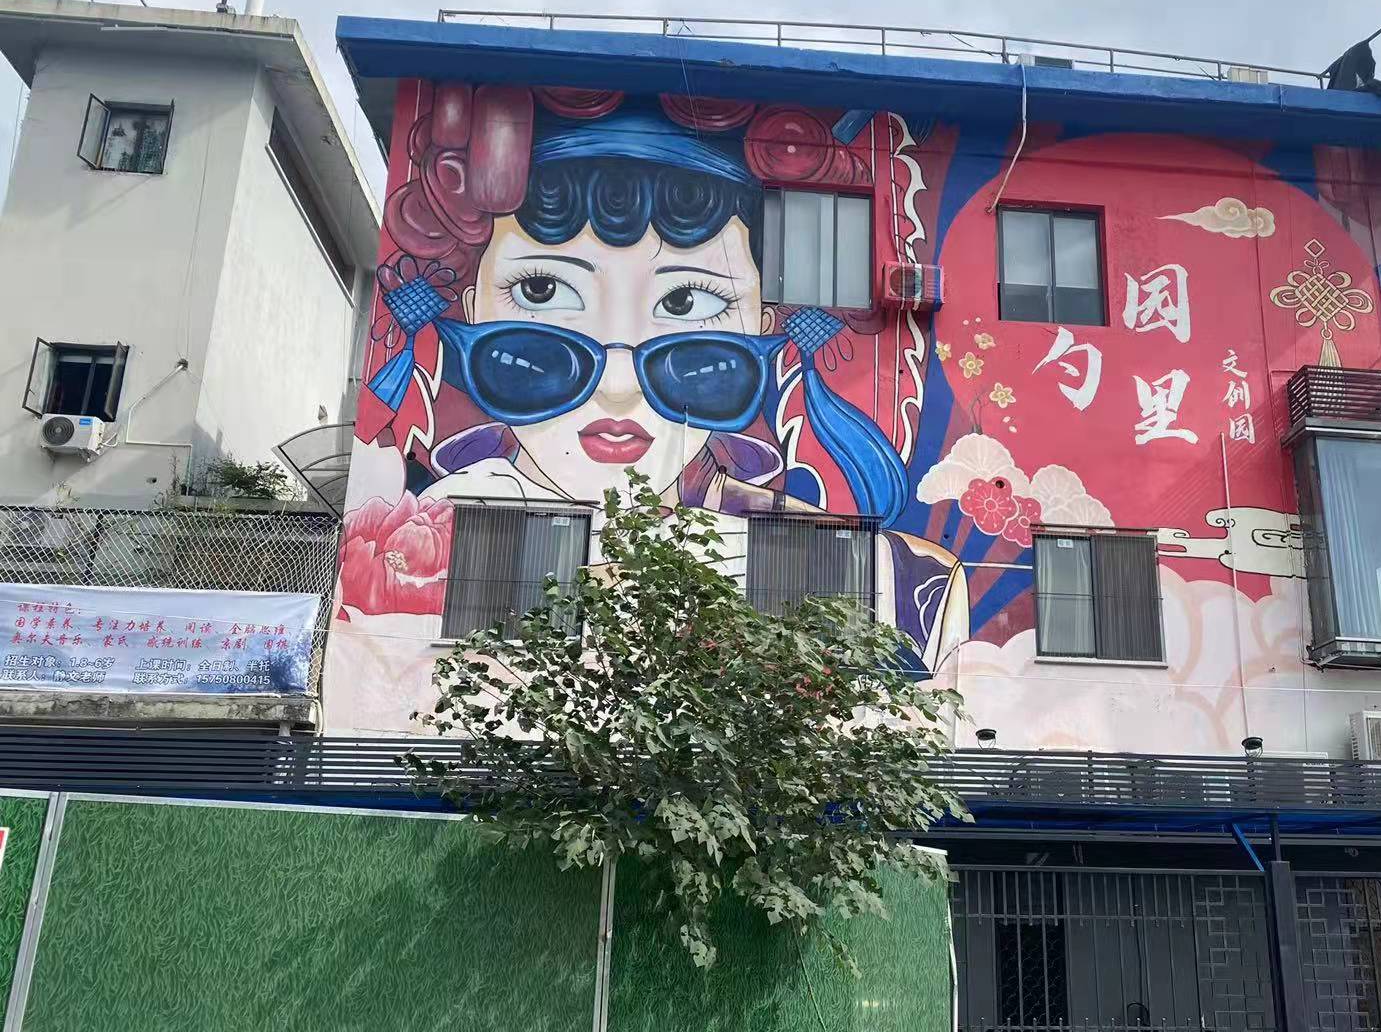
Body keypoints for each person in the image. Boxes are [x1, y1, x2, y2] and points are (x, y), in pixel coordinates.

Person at [357, 85, 965, 673]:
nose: (618, 386)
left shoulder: (902, 586)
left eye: (686, 302)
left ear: (763, 330)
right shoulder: (410, 545)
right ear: (471, 312)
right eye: (542, 290)